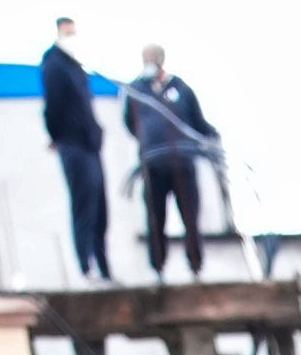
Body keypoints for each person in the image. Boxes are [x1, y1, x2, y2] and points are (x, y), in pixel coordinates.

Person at [121, 47, 212, 278]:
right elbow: (130, 123)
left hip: (183, 164)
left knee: (190, 217)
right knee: (155, 218)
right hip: (153, 166)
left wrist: (212, 139)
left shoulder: (181, 88)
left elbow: (197, 122)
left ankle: (195, 266)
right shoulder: (136, 90)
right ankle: (158, 268)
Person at [39, 19, 111, 282]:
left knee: (100, 210)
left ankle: (104, 267)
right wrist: (57, 136)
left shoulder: (76, 66)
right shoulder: (54, 65)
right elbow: (52, 106)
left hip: (90, 144)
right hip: (73, 144)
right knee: (84, 205)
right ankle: (86, 267)